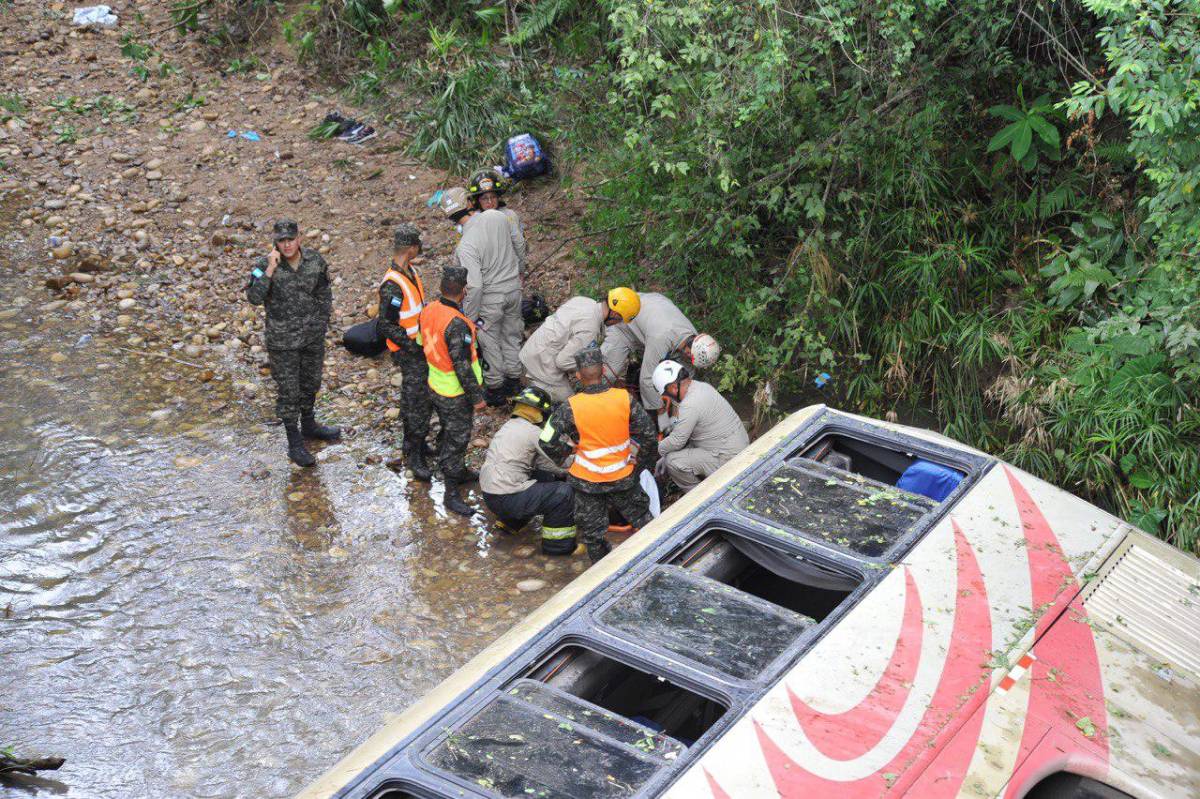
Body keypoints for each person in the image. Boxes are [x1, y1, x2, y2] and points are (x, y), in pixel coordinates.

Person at [540, 345, 658, 563]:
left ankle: (602, 577)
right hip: (623, 476)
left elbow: (546, 440)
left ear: (577, 375)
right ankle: (658, 561)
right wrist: (641, 463)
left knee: (594, 536)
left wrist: (568, 455)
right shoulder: (624, 399)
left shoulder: (570, 407)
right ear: (603, 370)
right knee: (643, 521)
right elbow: (650, 435)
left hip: (587, 481)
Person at [246, 219, 340, 467]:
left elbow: (324, 293)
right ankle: (294, 442)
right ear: (275, 242)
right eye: (281, 241)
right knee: (289, 391)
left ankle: (309, 425)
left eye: (290, 239)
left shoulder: (314, 261)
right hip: (283, 341)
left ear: (299, 238)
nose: (287, 245)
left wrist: (321, 322)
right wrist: (269, 270)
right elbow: (254, 297)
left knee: (311, 383)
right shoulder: (263, 265)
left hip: (311, 337)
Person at [441, 186, 523, 406]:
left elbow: (475, 286)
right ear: (469, 202)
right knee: (512, 334)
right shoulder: (497, 216)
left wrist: (470, 317)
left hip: (491, 298)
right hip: (513, 289)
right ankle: (515, 380)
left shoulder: (465, 246)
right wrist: (519, 270)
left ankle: (496, 388)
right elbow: (519, 244)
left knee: (489, 341)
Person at [418, 264, 485, 516]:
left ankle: (459, 471)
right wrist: (476, 397)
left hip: (434, 384)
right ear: (464, 291)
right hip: (455, 393)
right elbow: (462, 366)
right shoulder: (458, 324)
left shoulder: (429, 310)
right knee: (456, 441)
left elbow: (420, 341)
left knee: (448, 433)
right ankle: (451, 494)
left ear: (442, 288)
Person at [480, 386, 576, 555]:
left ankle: (510, 524)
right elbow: (560, 461)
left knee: (543, 476)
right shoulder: (534, 432)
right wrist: (579, 458)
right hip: (507, 498)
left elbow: (545, 465)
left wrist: (561, 471)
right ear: (541, 412)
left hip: (491, 495)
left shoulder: (510, 426)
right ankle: (558, 548)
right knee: (563, 493)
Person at [599, 291, 720, 413]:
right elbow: (646, 379)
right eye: (691, 360)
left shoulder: (696, 340)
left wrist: (679, 405)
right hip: (623, 325)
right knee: (607, 374)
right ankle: (596, 406)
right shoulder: (661, 336)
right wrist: (659, 409)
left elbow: (687, 375)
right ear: (689, 353)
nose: (690, 363)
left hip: (648, 323)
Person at [377, 223, 432, 480]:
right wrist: (413, 346)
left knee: (420, 399)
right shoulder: (393, 284)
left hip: (418, 347)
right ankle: (413, 455)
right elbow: (386, 325)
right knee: (415, 402)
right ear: (411, 248)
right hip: (409, 351)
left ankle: (417, 445)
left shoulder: (409, 272)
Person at [519, 288, 641, 403]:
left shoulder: (584, 301)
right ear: (614, 314)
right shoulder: (590, 327)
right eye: (619, 320)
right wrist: (592, 369)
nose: (616, 324)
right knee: (572, 407)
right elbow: (563, 362)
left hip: (531, 350)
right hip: (540, 366)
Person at [652, 360, 749, 492]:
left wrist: (656, 451)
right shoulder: (701, 386)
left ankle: (700, 497)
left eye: (666, 394)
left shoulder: (689, 405)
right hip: (738, 444)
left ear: (674, 388)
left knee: (672, 461)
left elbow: (677, 441)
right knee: (675, 451)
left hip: (731, 459)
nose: (669, 397)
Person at [467, 168, 526, 272]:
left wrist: (520, 269)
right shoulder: (472, 221)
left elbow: (519, 244)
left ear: (498, 197)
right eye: (485, 198)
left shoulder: (510, 215)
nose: (490, 201)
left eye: (493, 197)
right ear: (477, 201)